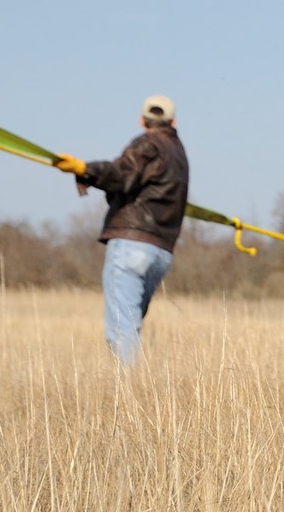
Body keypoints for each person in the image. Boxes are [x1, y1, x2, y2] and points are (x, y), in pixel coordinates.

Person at [54, 95, 190, 364]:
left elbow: (120, 174)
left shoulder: (147, 144)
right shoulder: (180, 154)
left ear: (142, 121)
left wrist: (84, 169)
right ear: (174, 121)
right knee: (131, 323)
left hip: (132, 243)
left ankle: (126, 399)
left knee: (121, 328)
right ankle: (132, 391)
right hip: (162, 252)